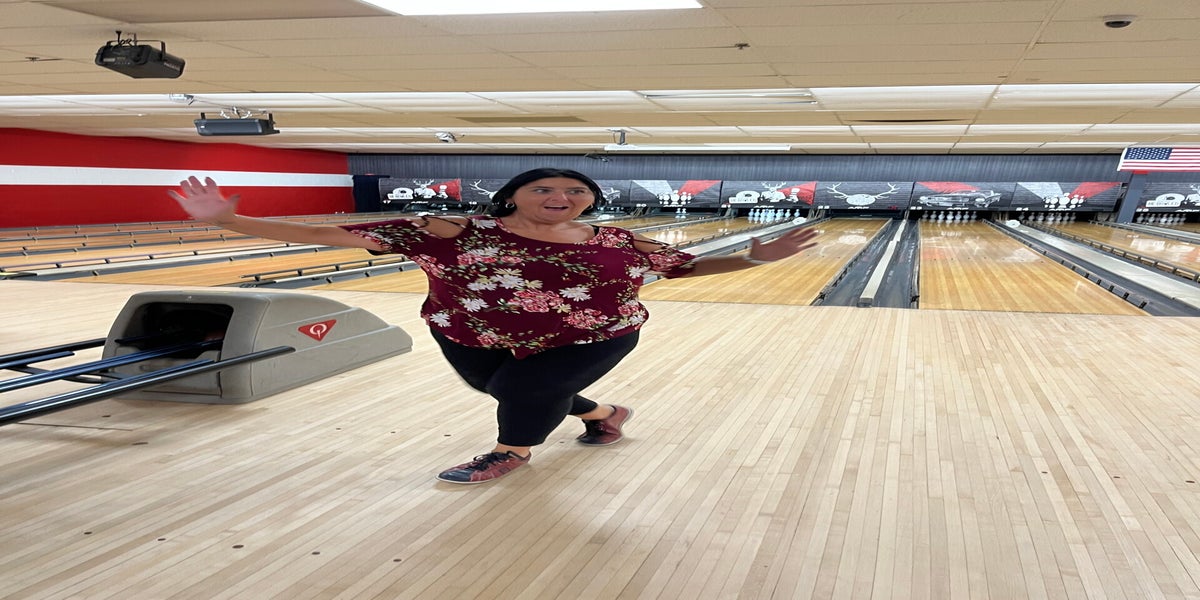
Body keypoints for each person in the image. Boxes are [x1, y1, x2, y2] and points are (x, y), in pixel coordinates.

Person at [169, 168, 819, 485]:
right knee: (502, 385)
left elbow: (683, 267)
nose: (561, 199)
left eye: (576, 192)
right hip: (466, 331)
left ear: (590, 201)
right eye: (545, 190)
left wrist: (752, 258)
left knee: (523, 392)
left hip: (595, 333)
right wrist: (232, 222)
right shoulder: (449, 230)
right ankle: (604, 414)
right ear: (513, 195)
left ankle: (510, 453)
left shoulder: (617, 240)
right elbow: (339, 233)